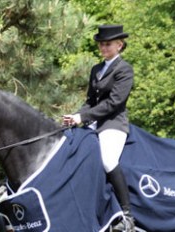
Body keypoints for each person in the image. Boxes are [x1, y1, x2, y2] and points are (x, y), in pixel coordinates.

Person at [63, 24, 135, 232]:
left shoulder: (124, 69)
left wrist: (82, 116)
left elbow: (114, 103)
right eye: (101, 45)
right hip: (92, 122)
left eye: (107, 44)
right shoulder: (97, 69)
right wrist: (74, 117)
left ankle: (127, 215)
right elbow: (90, 101)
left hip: (113, 123)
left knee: (108, 160)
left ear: (119, 45)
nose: (103, 48)